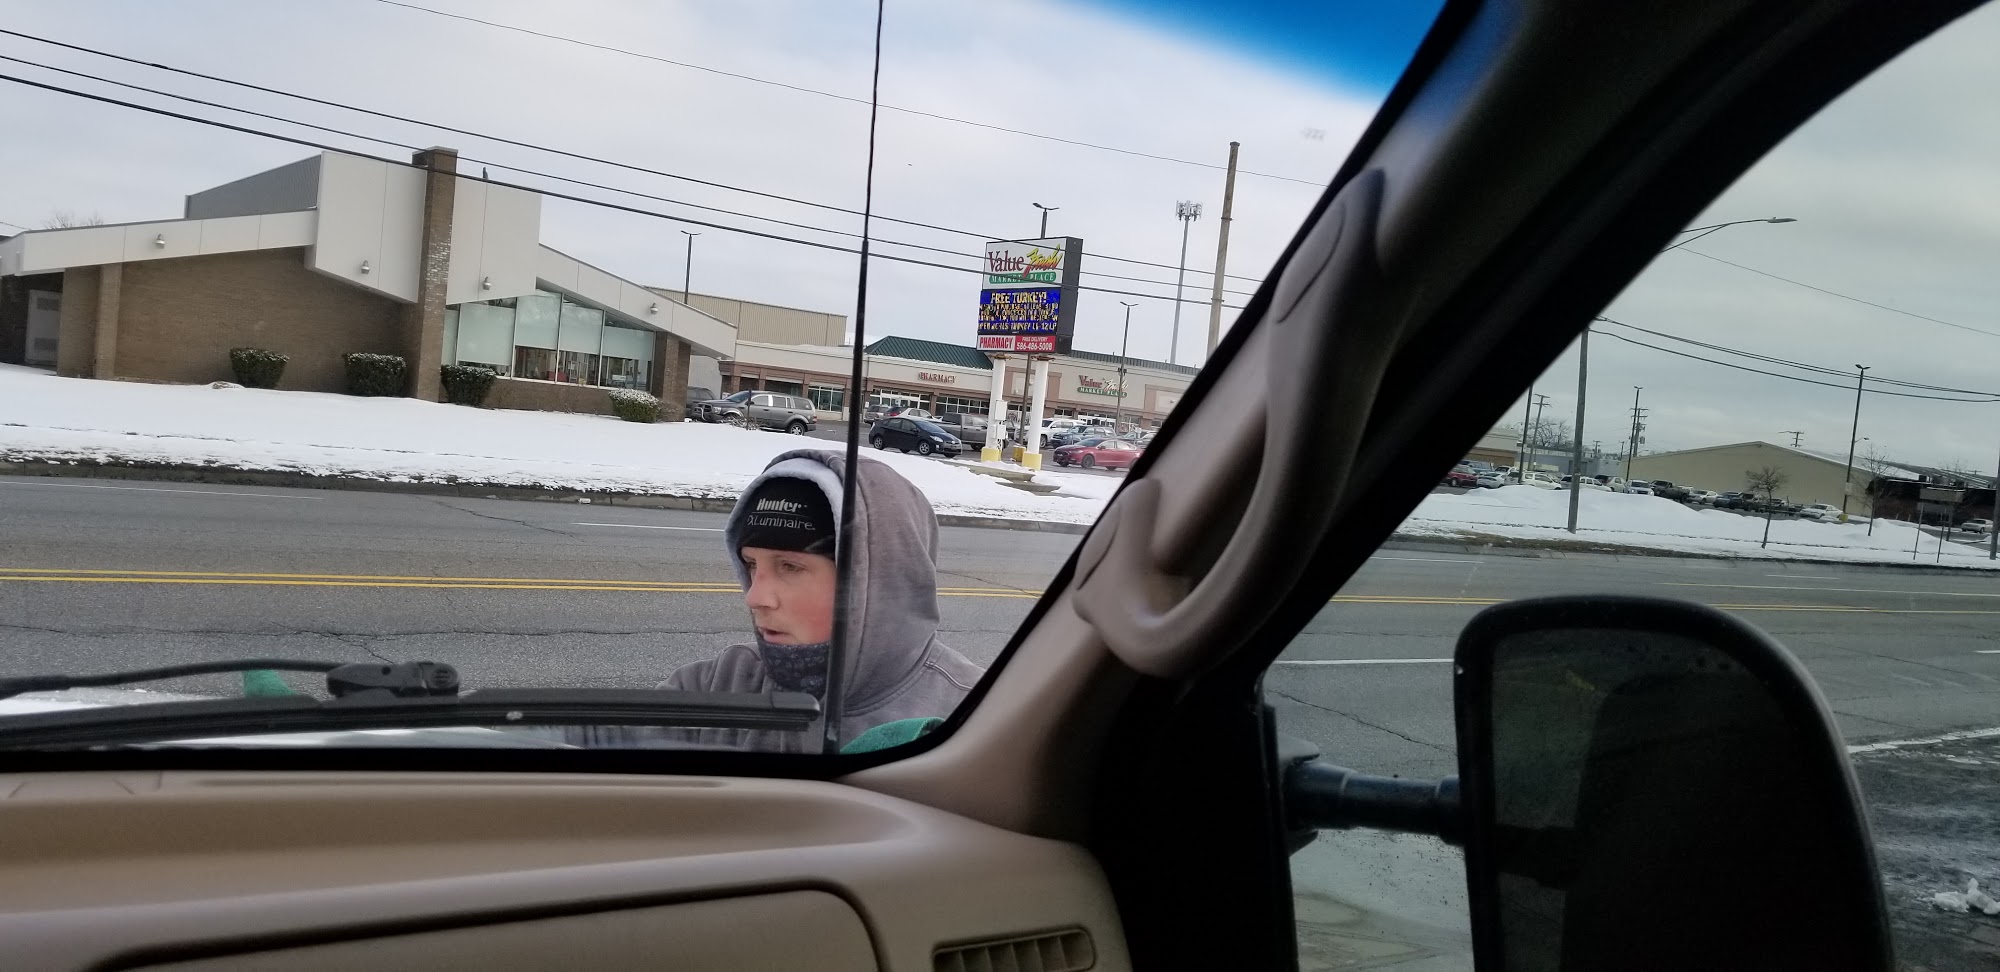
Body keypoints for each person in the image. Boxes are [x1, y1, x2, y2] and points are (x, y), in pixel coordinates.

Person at [567, 449, 982, 753]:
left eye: (790, 567)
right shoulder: (724, 684)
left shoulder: (973, 717)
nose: (755, 596)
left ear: (875, 582)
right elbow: (605, 738)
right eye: (751, 564)